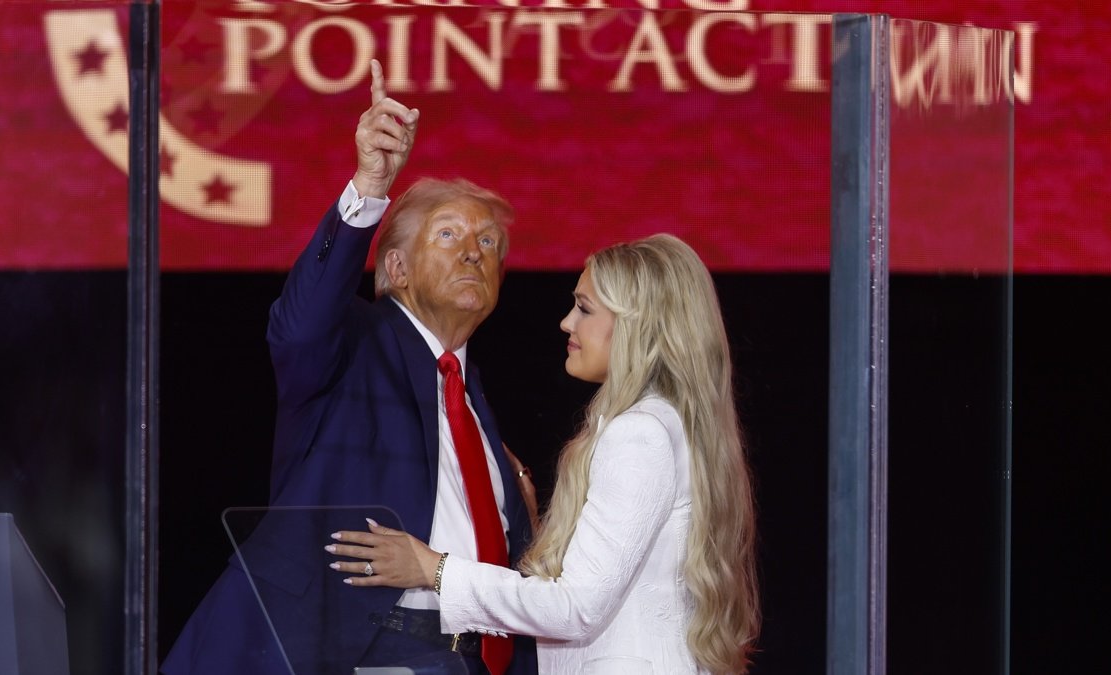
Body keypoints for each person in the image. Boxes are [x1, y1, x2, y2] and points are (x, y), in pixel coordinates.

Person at [161, 60, 536, 675]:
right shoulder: (352, 345)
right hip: (348, 649)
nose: (474, 250)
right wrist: (368, 187)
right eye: (448, 235)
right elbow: (299, 323)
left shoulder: (476, 411)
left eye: (489, 242)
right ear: (397, 271)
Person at [328, 234, 761, 674]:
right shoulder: (670, 425)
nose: (566, 322)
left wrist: (434, 568)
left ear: (639, 325)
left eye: (585, 309)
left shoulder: (638, 434)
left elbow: (574, 607)